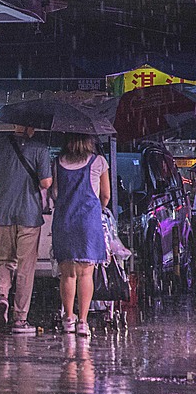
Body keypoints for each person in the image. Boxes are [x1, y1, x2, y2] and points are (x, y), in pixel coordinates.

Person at [0, 125, 52, 334]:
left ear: (14, 125)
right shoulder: (40, 149)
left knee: (5, 261)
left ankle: (2, 296)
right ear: (30, 127)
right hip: (29, 215)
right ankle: (20, 319)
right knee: (25, 267)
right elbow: (46, 182)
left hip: (3, 214)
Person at [51, 134, 110, 336]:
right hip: (88, 223)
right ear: (89, 140)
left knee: (68, 274)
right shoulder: (99, 162)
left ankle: (69, 318)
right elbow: (106, 195)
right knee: (85, 274)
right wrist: (97, 209)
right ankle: (83, 322)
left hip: (64, 222)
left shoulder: (57, 162)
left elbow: (55, 193)